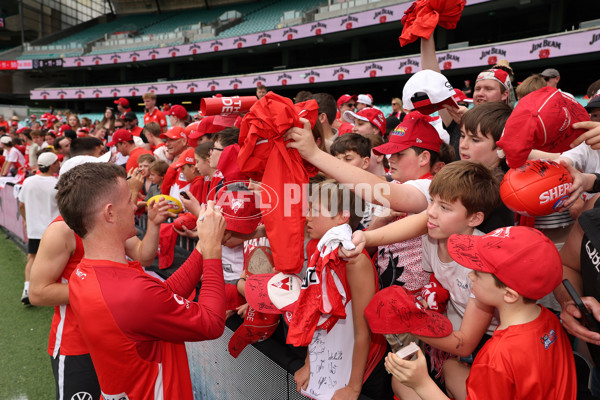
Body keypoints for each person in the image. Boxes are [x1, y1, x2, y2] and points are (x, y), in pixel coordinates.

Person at [54, 162, 226, 399]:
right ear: (110, 213)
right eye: (128, 201)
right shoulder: (129, 292)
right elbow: (212, 322)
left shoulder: (83, 274)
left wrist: (203, 247)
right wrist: (214, 248)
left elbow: (161, 296)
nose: (136, 206)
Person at [346, 161, 501, 399]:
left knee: (452, 378)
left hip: (488, 346)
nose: (431, 212)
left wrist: (407, 321)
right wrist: (425, 308)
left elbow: (467, 343)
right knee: (400, 382)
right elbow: (436, 290)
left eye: (445, 207)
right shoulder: (432, 239)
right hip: (450, 339)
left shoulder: (481, 262)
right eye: (432, 202)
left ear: (475, 218)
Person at [387, 226, 577, 400]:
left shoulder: (496, 356)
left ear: (509, 295)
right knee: (451, 368)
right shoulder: (550, 318)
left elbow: (498, 366)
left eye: (477, 273)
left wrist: (422, 383)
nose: (470, 275)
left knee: (403, 384)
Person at [293, 179, 392, 400]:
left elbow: (363, 330)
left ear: (342, 216)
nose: (307, 216)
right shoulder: (318, 247)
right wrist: (310, 363)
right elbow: (315, 313)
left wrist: (354, 387)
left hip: (362, 370)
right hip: (328, 356)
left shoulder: (355, 261)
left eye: (315, 210)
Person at [17, 152, 61, 305]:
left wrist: (26, 220)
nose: (59, 163)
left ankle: (27, 289)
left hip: (35, 228)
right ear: (51, 165)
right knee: (57, 260)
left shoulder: (28, 182)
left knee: (32, 258)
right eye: (57, 162)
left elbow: (21, 205)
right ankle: (52, 291)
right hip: (54, 229)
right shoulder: (56, 183)